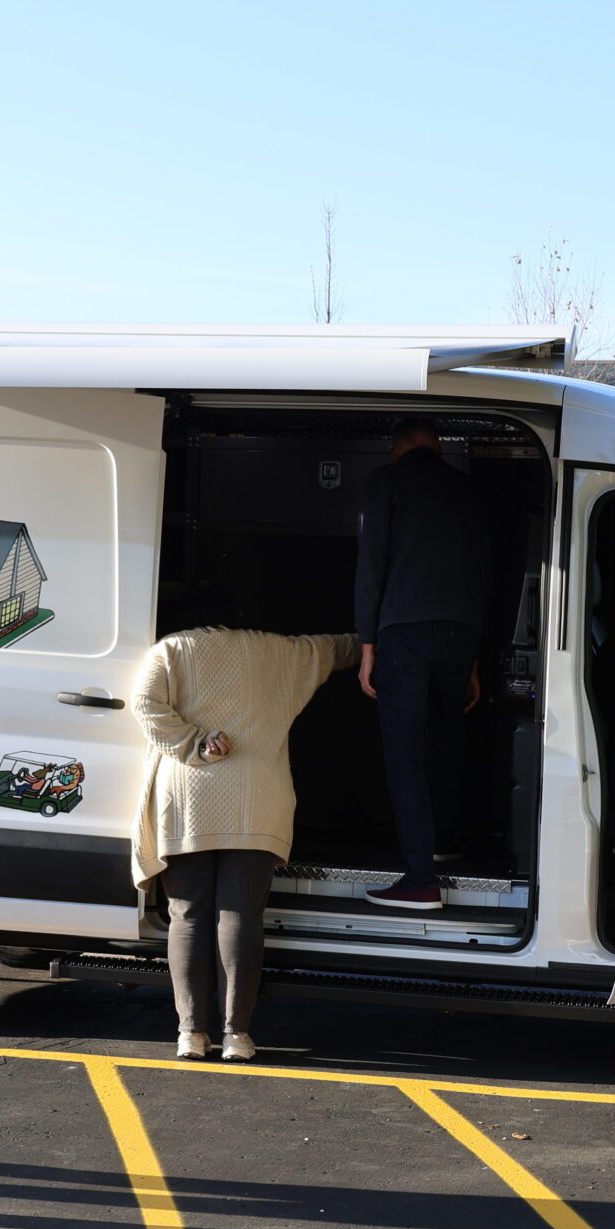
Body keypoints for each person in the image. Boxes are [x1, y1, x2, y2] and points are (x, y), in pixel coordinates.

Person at [130, 626, 357, 1062]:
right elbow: (341, 649)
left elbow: (143, 703)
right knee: (240, 915)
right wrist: (385, 636)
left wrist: (193, 742)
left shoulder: (171, 648)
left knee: (188, 914)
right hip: (257, 796)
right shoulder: (283, 651)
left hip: (189, 794)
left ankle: (191, 1033)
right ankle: (237, 1035)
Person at [353, 417, 490, 910]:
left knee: (405, 754)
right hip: (462, 632)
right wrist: (473, 656)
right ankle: (443, 841)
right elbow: (482, 570)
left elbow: (371, 566)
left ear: (397, 448)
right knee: (447, 739)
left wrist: (367, 647)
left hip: (405, 633)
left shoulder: (386, 482)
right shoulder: (467, 489)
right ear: (437, 447)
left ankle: (420, 879)